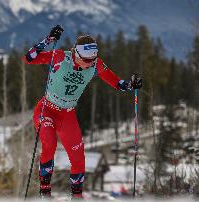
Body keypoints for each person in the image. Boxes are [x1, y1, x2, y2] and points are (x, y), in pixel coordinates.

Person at [23, 25, 142, 199]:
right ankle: (45, 192)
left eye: (92, 60)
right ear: (76, 54)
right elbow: (29, 58)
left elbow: (117, 83)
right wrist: (47, 41)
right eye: (86, 60)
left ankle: (77, 197)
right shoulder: (60, 57)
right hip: (46, 109)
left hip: (67, 115)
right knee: (49, 143)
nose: (89, 64)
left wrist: (131, 85)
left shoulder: (96, 65)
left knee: (78, 157)